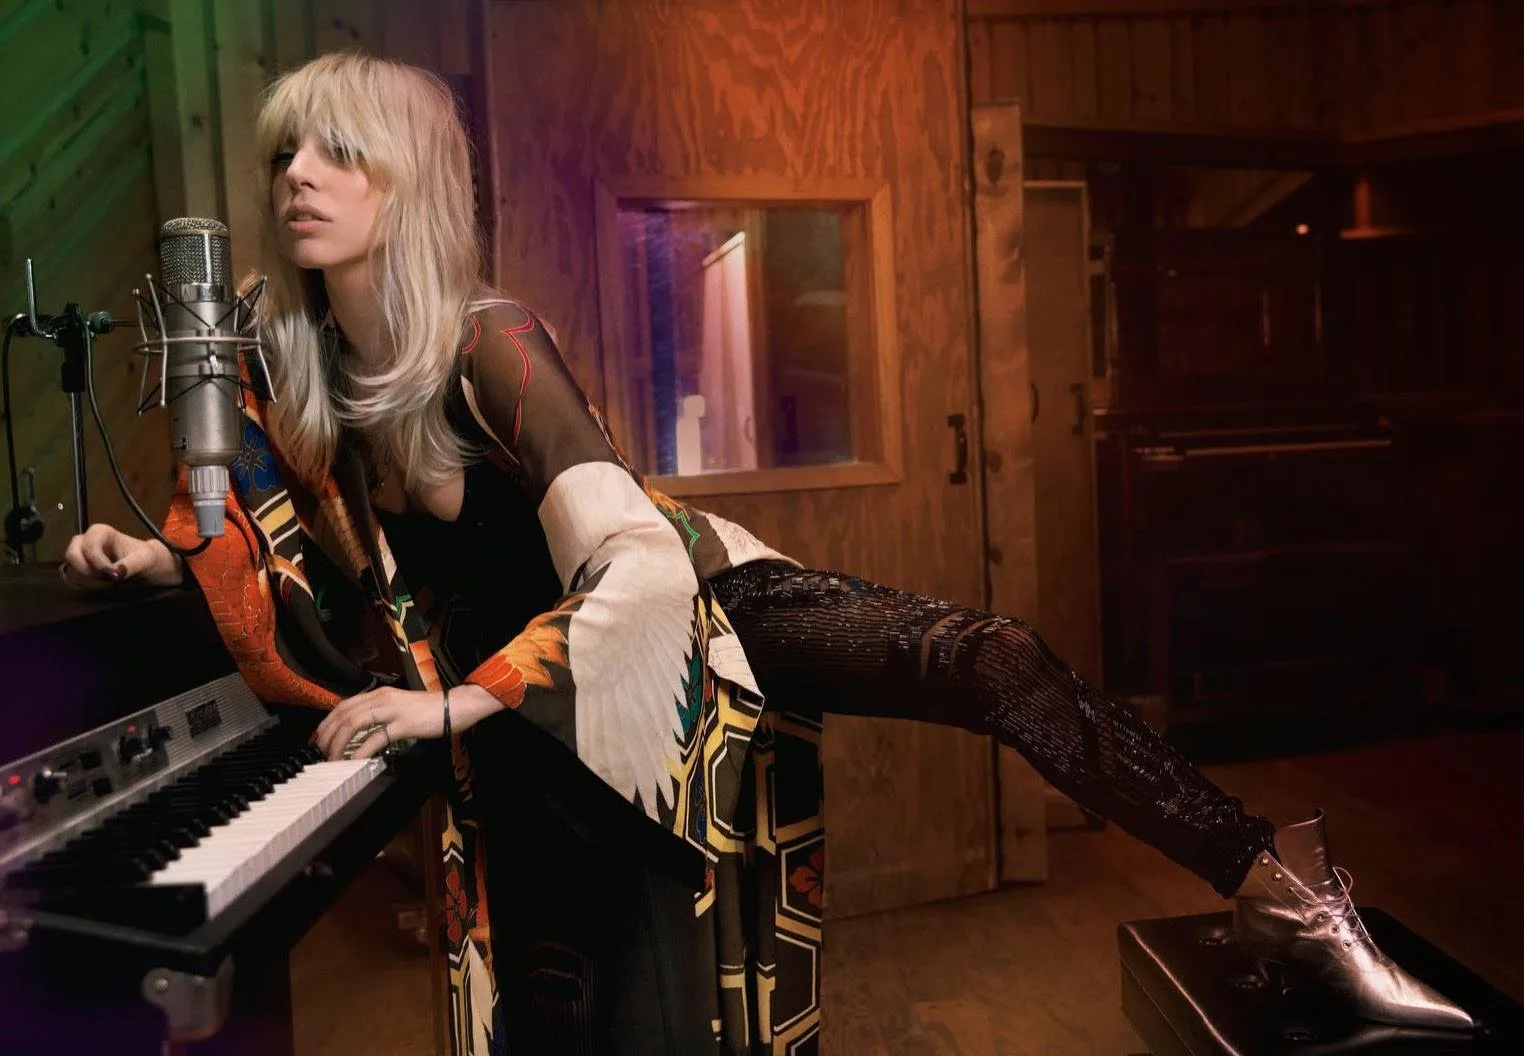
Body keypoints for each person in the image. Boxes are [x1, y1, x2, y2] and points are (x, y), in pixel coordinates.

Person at [61, 52, 1473, 1055]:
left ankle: (1282, 887)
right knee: (564, 999)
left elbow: (636, 562)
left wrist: (456, 701)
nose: (298, 177)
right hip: (541, 721)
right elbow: (284, 546)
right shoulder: (300, 370)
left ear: (407, 178)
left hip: (696, 615)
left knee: (990, 659)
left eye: (336, 151)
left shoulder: (491, 342)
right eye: (283, 155)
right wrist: (164, 556)